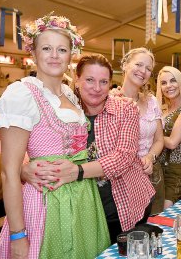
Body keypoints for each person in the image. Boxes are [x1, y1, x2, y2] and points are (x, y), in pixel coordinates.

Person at [0, 14, 109, 259]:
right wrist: (18, 234)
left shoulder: (70, 94)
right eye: (46, 48)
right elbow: (8, 172)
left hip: (84, 199)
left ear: (71, 56)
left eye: (62, 49)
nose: (54, 55)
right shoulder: (22, 94)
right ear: (34, 54)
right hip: (46, 204)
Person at [22, 54, 155, 243]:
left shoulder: (125, 107)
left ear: (110, 84)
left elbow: (124, 156)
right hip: (84, 209)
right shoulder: (62, 111)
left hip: (126, 203)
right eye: (90, 80)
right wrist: (24, 168)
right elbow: (41, 146)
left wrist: (77, 171)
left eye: (104, 81)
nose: (97, 88)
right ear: (77, 80)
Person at [118, 47, 164, 214]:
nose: (143, 71)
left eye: (148, 69)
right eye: (139, 64)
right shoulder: (110, 100)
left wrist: (150, 157)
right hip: (122, 179)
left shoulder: (152, 101)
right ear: (125, 65)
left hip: (151, 174)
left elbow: (159, 139)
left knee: (155, 226)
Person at [156, 66, 181, 209]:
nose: (169, 86)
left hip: (175, 169)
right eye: (164, 83)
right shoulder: (163, 109)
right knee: (156, 212)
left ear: (180, 82)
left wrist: (151, 136)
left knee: (165, 211)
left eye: (173, 81)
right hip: (159, 167)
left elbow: (173, 143)